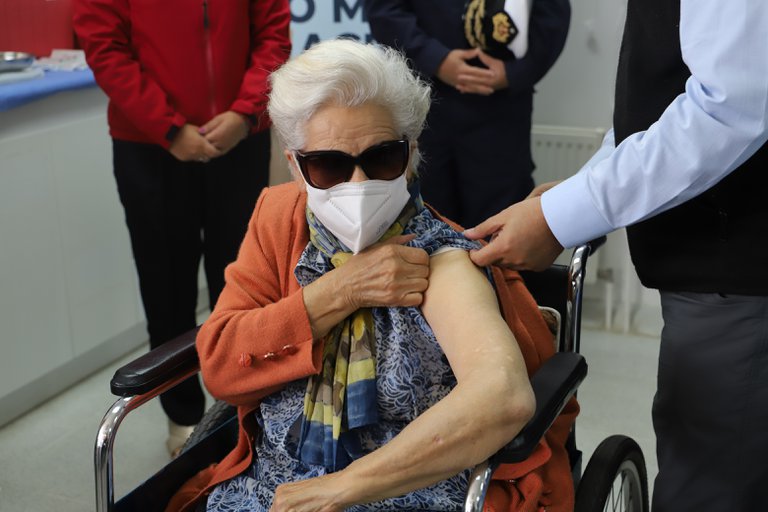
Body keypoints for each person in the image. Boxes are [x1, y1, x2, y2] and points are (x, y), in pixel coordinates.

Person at [166, 39, 579, 512]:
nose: (359, 184)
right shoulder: (281, 221)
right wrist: (341, 290)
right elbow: (221, 367)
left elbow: (501, 395)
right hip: (271, 487)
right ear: (295, 166)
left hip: (406, 492)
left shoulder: (440, 257)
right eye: (329, 165)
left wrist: (344, 487)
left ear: (411, 152)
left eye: (382, 157)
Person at [465, 1, 768, 510]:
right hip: (709, 264)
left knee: (713, 481)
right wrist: (579, 193)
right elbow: (656, 105)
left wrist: (565, 215)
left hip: (736, 266)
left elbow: (730, 107)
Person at [72, 0, 291, 456]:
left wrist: (245, 113)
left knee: (247, 280)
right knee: (165, 281)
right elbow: (105, 47)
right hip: (150, 144)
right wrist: (168, 128)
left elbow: (272, 34)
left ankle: (241, 404)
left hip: (239, 137)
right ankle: (183, 415)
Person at [363, 0, 571, 228]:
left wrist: (515, 72)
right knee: (426, 222)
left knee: (500, 227)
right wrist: (435, 59)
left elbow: (552, 13)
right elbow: (384, 9)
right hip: (424, 103)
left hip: (499, 113)